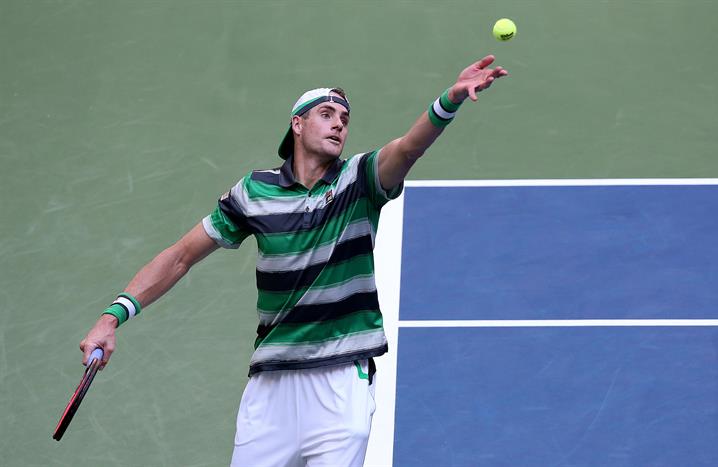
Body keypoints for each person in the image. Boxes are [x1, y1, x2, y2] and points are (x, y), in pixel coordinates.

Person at [79, 55, 508, 467]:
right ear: (297, 124)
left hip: (340, 381)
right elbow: (179, 257)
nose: (339, 122)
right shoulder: (253, 192)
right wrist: (113, 316)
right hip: (271, 386)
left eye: (344, 118)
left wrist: (448, 101)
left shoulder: (360, 180)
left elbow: (408, 149)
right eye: (326, 113)